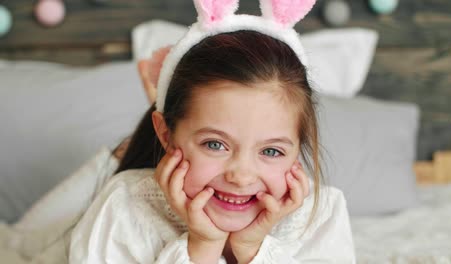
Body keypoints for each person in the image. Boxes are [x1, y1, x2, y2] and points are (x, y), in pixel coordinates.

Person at [69, 0, 356, 263]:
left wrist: (252, 249)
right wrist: (203, 246)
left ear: (297, 149)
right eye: (215, 145)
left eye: (271, 151)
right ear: (166, 135)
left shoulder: (323, 215)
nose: (241, 176)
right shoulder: (124, 207)